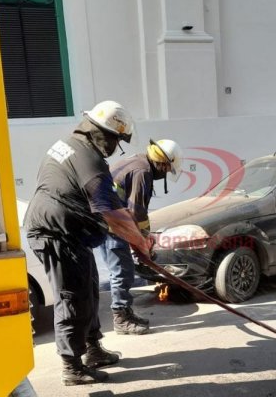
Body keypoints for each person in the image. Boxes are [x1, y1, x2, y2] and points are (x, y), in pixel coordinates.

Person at [23, 101, 151, 386]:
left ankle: (93, 349)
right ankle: (72, 366)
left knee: (89, 291)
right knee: (71, 298)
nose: (116, 146)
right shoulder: (89, 159)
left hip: (71, 232)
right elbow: (112, 213)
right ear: (103, 133)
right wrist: (141, 244)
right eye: (116, 139)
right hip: (56, 233)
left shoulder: (68, 145)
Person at [94, 139, 183, 334]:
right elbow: (137, 211)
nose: (166, 173)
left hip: (111, 220)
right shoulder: (143, 172)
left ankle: (125, 311)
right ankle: (121, 318)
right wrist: (144, 240)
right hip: (111, 225)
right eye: (168, 169)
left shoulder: (139, 161)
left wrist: (143, 236)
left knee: (122, 270)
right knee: (121, 272)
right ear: (163, 163)